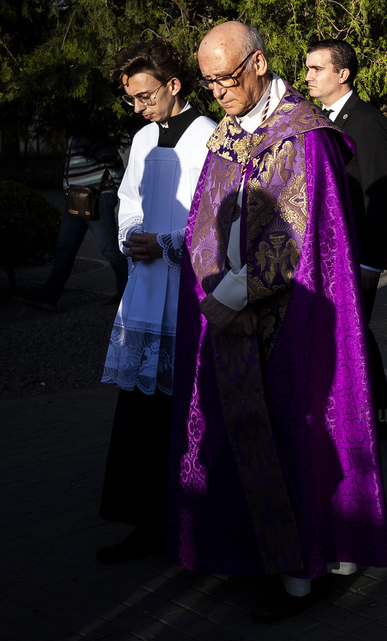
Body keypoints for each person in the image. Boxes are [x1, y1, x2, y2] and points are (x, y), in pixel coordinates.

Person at [167, 21, 387, 622]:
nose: (216, 90)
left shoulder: (305, 136)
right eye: (208, 80)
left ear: (259, 63)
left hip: (290, 317)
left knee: (293, 434)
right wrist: (214, 288)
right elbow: (203, 219)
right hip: (229, 310)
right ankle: (248, 552)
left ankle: (301, 572)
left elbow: (294, 235)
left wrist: (236, 296)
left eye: (226, 77)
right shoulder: (224, 135)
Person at [96, 39, 216, 565]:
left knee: (185, 414)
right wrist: (132, 236)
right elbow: (128, 200)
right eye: (131, 99)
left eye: (145, 96)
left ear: (174, 84)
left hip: (187, 291)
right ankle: (144, 523)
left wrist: (169, 245)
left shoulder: (210, 136)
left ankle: (190, 523)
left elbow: (215, 218)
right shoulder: (144, 137)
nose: (139, 108)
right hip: (144, 289)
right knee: (140, 414)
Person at [304, 38, 387, 437]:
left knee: (352, 334)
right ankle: (382, 418)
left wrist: (372, 262)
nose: (308, 76)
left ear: (342, 74)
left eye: (317, 69)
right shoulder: (319, 119)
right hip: (331, 253)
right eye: (308, 68)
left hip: (358, 254)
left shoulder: (365, 120)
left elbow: (379, 193)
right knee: (354, 333)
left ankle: (369, 422)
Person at [23, 128, 127, 310]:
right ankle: (49, 297)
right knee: (65, 247)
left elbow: (114, 162)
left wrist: (120, 193)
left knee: (109, 248)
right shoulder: (73, 133)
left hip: (98, 196)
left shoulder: (93, 132)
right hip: (75, 197)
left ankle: (128, 294)